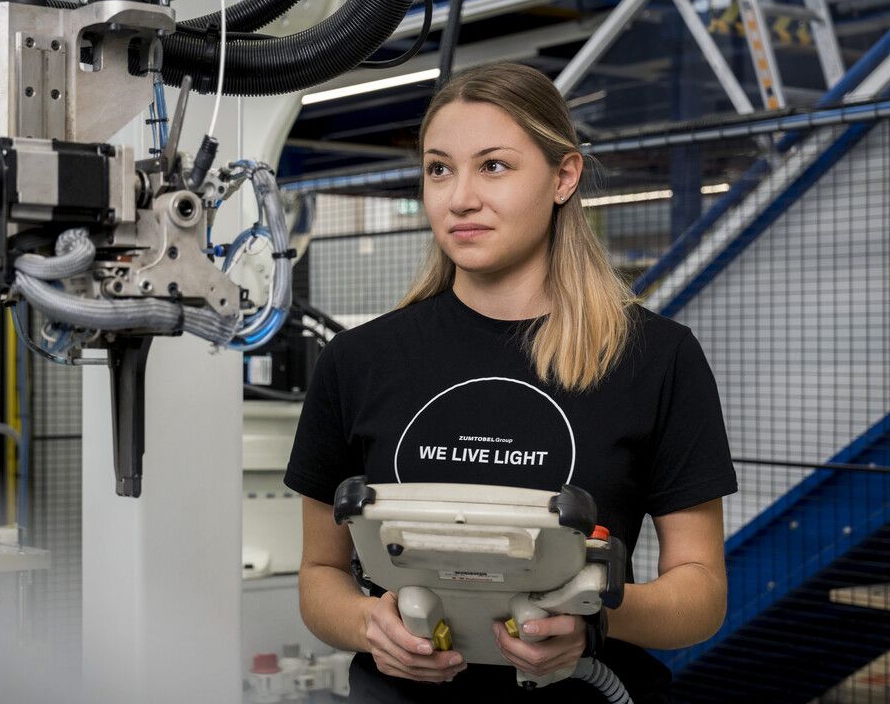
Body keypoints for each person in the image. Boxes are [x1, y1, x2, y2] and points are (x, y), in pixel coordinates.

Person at [284, 62, 738, 703]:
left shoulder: (654, 357)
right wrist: (368, 624)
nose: (459, 198)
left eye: (493, 166)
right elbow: (319, 573)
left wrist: (593, 619)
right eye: (439, 169)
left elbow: (701, 591)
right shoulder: (360, 360)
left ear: (564, 177)